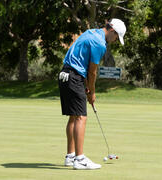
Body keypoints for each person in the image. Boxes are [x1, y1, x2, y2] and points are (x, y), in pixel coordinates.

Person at [58, 18, 126, 170]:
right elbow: (93, 71)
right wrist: (92, 92)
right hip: (74, 76)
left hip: (64, 75)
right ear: (112, 31)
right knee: (81, 116)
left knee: (73, 116)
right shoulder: (100, 43)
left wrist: (86, 86)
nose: (115, 41)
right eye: (116, 37)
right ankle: (80, 159)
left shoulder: (91, 32)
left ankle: (70, 156)